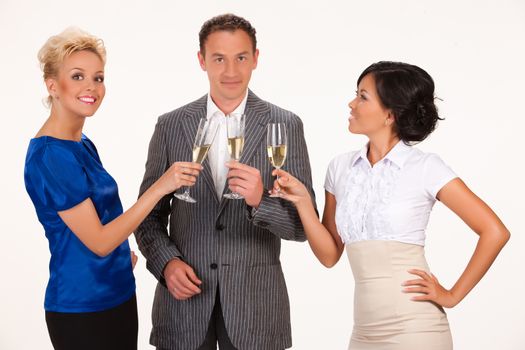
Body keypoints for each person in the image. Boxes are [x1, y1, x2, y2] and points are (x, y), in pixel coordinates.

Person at [272, 61, 510, 350]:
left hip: (416, 329)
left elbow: (494, 231)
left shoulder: (425, 167)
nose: (351, 103)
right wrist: (302, 202)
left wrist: (452, 295)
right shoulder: (340, 168)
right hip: (363, 333)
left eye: (362, 96)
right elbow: (330, 255)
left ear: (389, 115)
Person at [135, 13, 314, 350]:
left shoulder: (286, 125)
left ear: (256, 59)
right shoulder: (170, 126)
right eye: (219, 58)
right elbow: (148, 214)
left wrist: (260, 200)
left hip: (256, 311)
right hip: (183, 308)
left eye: (241, 58)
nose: (230, 71)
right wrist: (166, 263)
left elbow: (303, 226)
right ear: (202, 60)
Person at [24, 27, 202, 350]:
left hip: (118, 294)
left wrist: (121, 255)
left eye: (98, 77)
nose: (91, 87)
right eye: (77, 76)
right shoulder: (50, 156)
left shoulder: (81, 143)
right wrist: (161, 186)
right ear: (52, 85)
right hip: (82, 309)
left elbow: (100, 226)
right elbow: (100, 242)